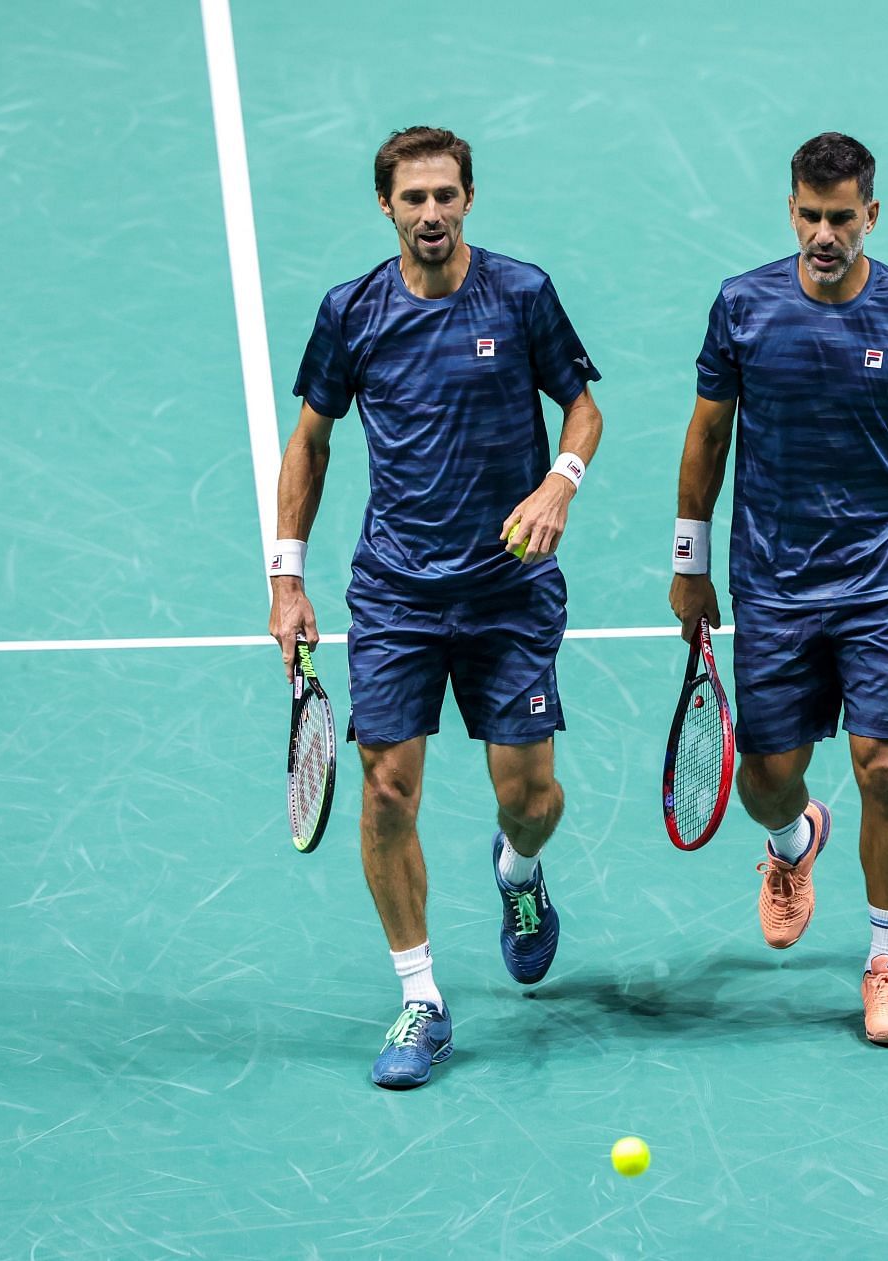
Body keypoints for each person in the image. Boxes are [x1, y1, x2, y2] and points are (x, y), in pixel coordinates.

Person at [268, 126, 603, 1089]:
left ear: (468, 198)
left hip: (509, 589)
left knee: (529, 800)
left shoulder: (522, 294)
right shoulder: (352, 313)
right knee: (386, 791)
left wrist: (559, 483)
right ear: (386, 205)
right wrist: (287, 579)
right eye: (412, 198)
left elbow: (583, 406)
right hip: (398, 595)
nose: (430, 213)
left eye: (446, 196)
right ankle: (421, 997)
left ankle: (518, 872)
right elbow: (310, 444)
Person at [669, 132, 888, 1046]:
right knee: (765, 782)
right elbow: (706, 441)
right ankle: (795, 842)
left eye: (843, 218)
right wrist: (688, 563)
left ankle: (887, 960)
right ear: (791, 211)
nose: (827, 235)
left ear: (872, 215)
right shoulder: (742, 307)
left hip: (884, 573)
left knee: (885, 767)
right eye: (811, 217)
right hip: (773, 579)